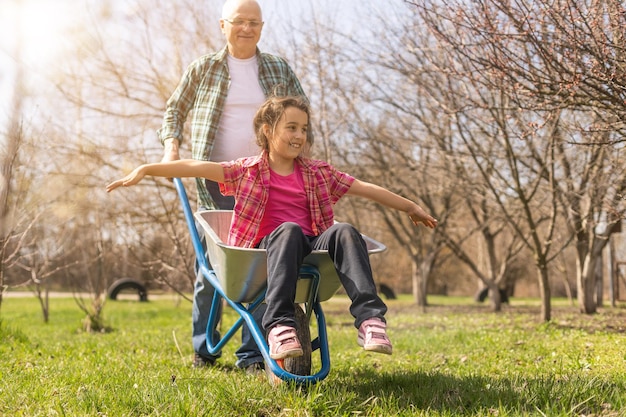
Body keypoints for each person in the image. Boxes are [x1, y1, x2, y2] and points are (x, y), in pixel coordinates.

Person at [108, 96, 438, 359]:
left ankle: (369, 319)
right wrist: (147, 169)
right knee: (290, 229)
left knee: (346, 231)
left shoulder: (317, 172)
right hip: (265, 248)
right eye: (291, 127)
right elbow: (196, 166)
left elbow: (364, 187)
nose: (299, 136)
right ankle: (279, 325)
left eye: (304, 129)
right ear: (268, 130)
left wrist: (410, 206)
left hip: (310, 245)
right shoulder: (246, 170)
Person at [157, 0, 309, 371]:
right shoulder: (204, 68)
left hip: (267, 185)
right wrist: (171, 147)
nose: (246, 28)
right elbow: (175, 110)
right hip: (216, 185)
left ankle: (252, 355)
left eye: (254, 22)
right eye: (239, 21)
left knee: (261, 267)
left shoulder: (277, 68)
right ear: (223, 25)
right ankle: (203, 350)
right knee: (211, 267)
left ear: (262, 26)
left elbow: (300, 112)